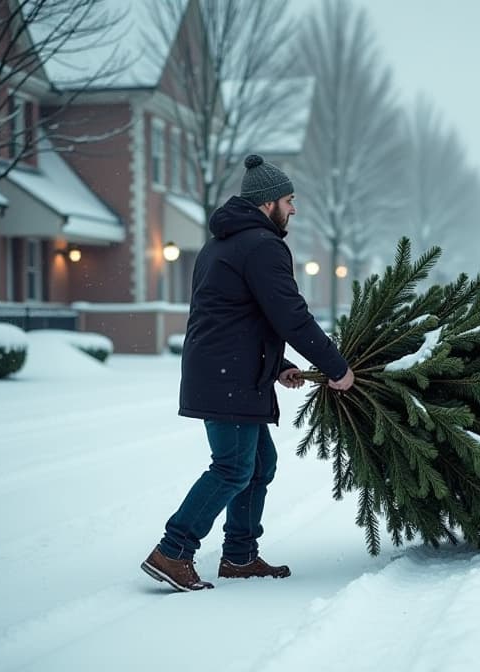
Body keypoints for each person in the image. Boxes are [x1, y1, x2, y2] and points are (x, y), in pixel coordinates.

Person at [141, 154, 355, 592]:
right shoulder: (261, 245)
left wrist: (278, 366)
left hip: (228, 370)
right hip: (228, 377)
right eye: (289, 200)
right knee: (233, 467)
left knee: (258, 464)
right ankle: (173, 551)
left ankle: (239, 556)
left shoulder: (225, 243)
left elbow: (238, 316)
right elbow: (289, 316)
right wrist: (337, 368)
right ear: (267, 202)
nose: (294, 208)